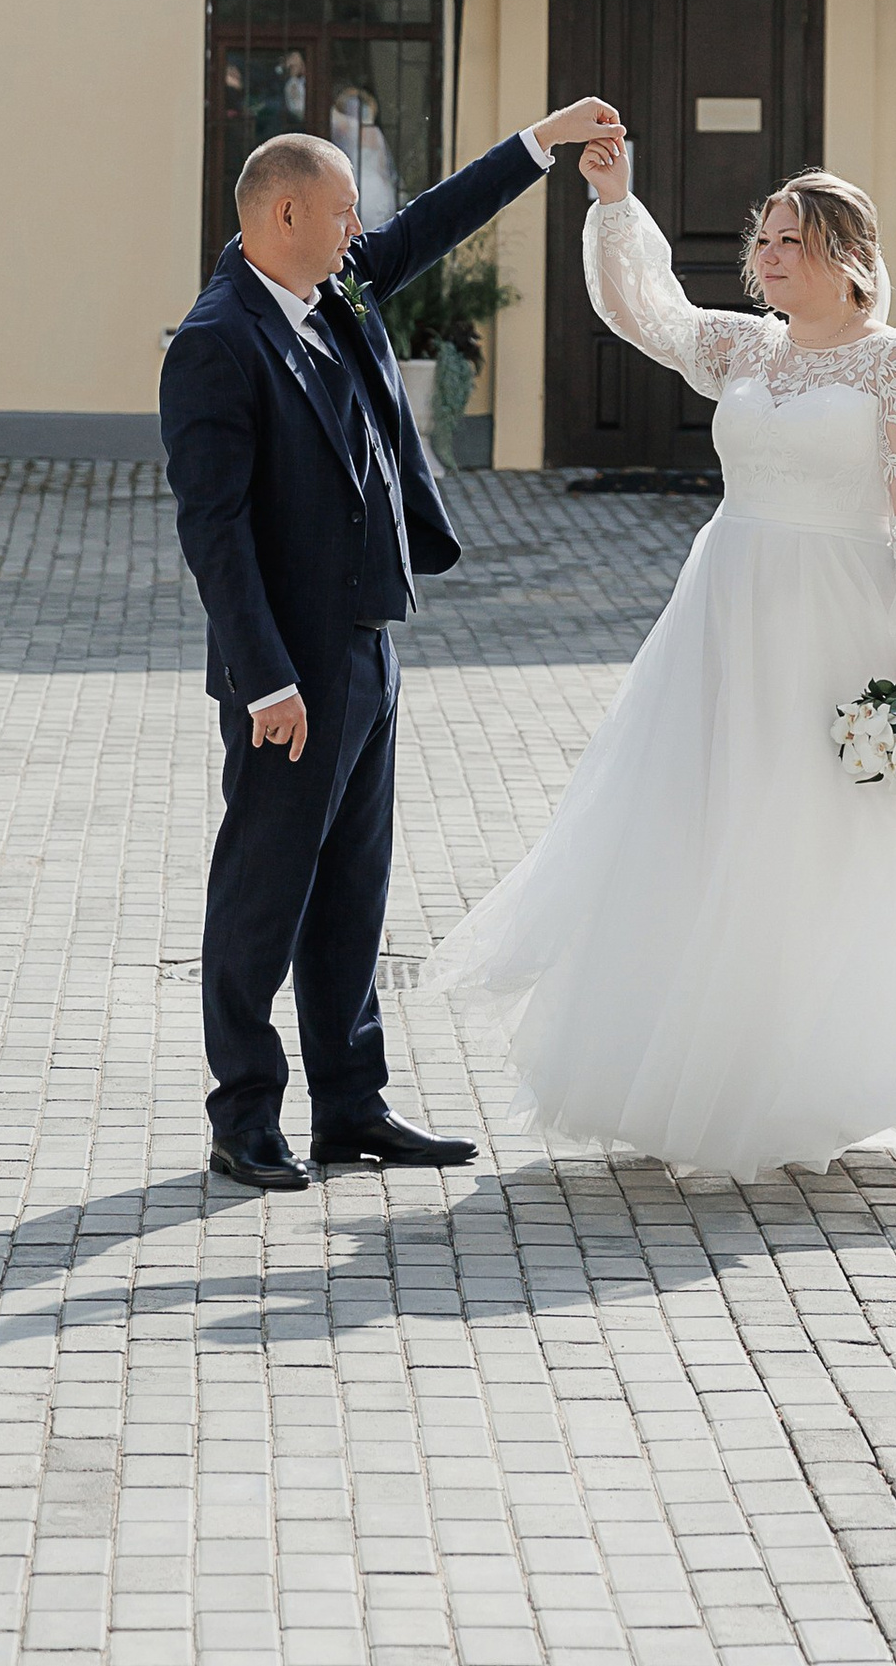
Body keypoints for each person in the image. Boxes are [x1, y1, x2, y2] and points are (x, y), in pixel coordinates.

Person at [430, 138, 896, 1184]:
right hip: (727, 609)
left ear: (848, 256)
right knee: (708, 819)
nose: (767, 257)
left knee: (826, 836)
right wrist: (614, 199)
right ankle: (704, 1064)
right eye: (761, 239)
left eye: (791, 241)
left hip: (839, 616)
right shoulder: (748, 348)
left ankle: (829, 1075)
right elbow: (647, 314)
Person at [160, 95, 622, 1191]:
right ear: (283, 212)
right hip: (290, 671)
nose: (357, 231)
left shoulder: (335, 282)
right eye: (340, 212)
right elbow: (212, 532)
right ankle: (243, 1114)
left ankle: (350, 1105)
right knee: (263, 890)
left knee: (353, 886)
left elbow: (426, 225)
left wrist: (539, 147)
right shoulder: (217, 343)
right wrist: (266, 676)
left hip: (368, 646)